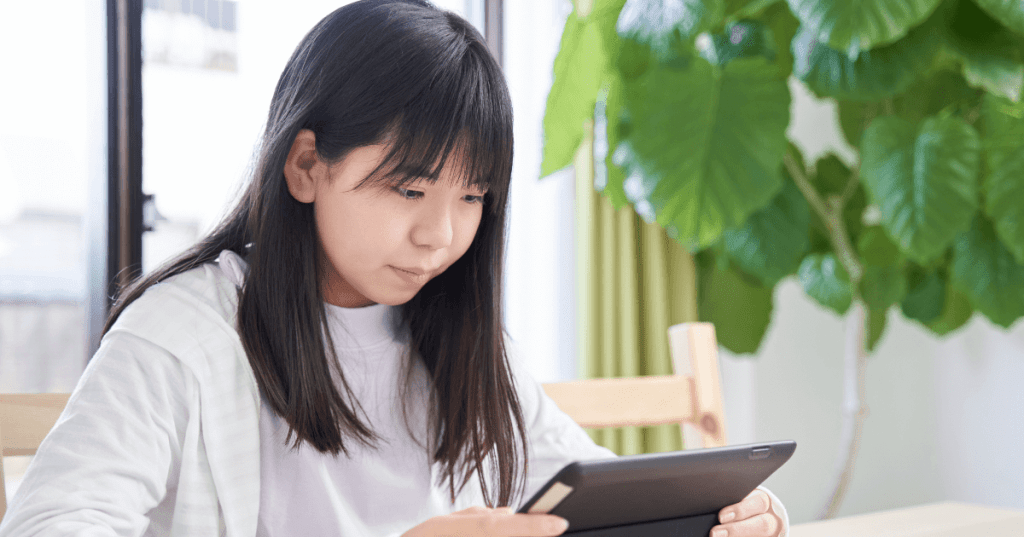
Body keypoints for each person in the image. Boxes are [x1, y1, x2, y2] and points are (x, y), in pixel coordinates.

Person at [0, 1, 789, 536]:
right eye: (409, 187)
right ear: (307, 164)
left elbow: (588, 489)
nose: (440, 236)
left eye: (472, 195)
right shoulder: (184, 332)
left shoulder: (459, 335)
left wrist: (723, 511)